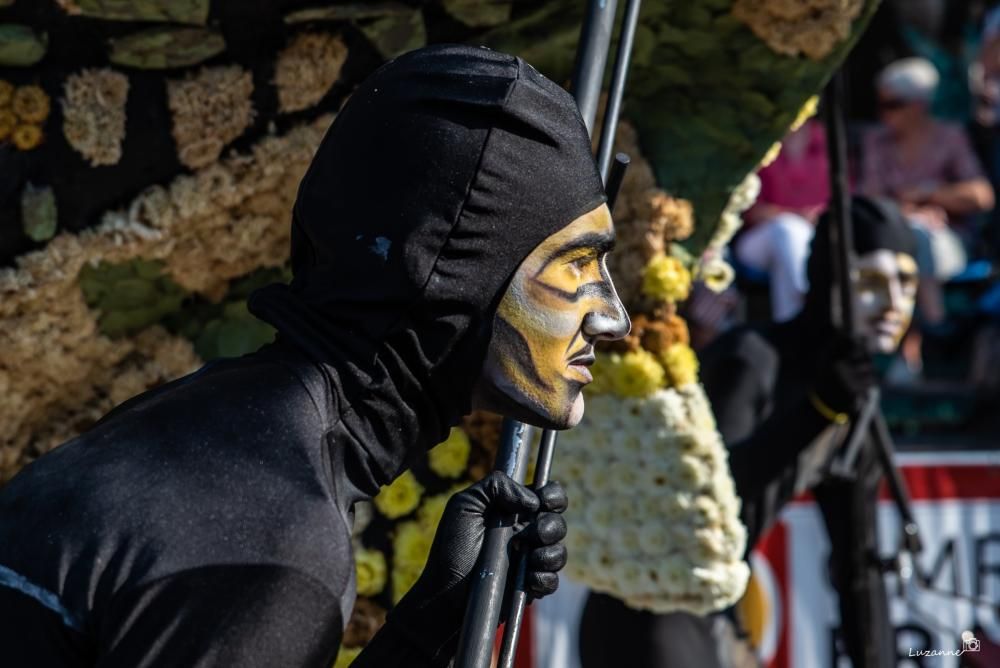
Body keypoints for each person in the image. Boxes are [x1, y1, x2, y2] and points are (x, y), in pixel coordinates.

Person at [0, 44, 630, 667]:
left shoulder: (212, 423)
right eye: (576, 264)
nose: (614, 318)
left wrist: (435, 622)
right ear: (449, 274)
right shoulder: (271, 549)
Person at [579, 197, 919, 668]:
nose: (894, 304)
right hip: (649, 606)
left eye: (907, 282)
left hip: (721, 620)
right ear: (830, 280)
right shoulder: (752, 359)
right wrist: (815, 412)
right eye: (872, 281)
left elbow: (858, 568)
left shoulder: (854, 399)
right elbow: (707, 497)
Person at [860, 57, 994, 378]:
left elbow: (981, 195)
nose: (885, 113)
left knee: (918, 237)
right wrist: (909, 212)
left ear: (919, 105)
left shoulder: (949, 138)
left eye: (894, 104)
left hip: (948, 243)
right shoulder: (876, 142)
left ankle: (919, 345)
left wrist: (930, 195)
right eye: (881, 104)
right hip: (892, 244)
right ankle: (934, 329)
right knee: (911, 236)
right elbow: (868, 200)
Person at [735, 119, 830, 322]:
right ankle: (801, 311)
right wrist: (798, 217)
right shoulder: (759, 139)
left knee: (796, 237)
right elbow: (751, 211)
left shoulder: (826, 141)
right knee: (789, 230)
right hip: (757, 241)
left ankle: (793, 319)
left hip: (815, 239)